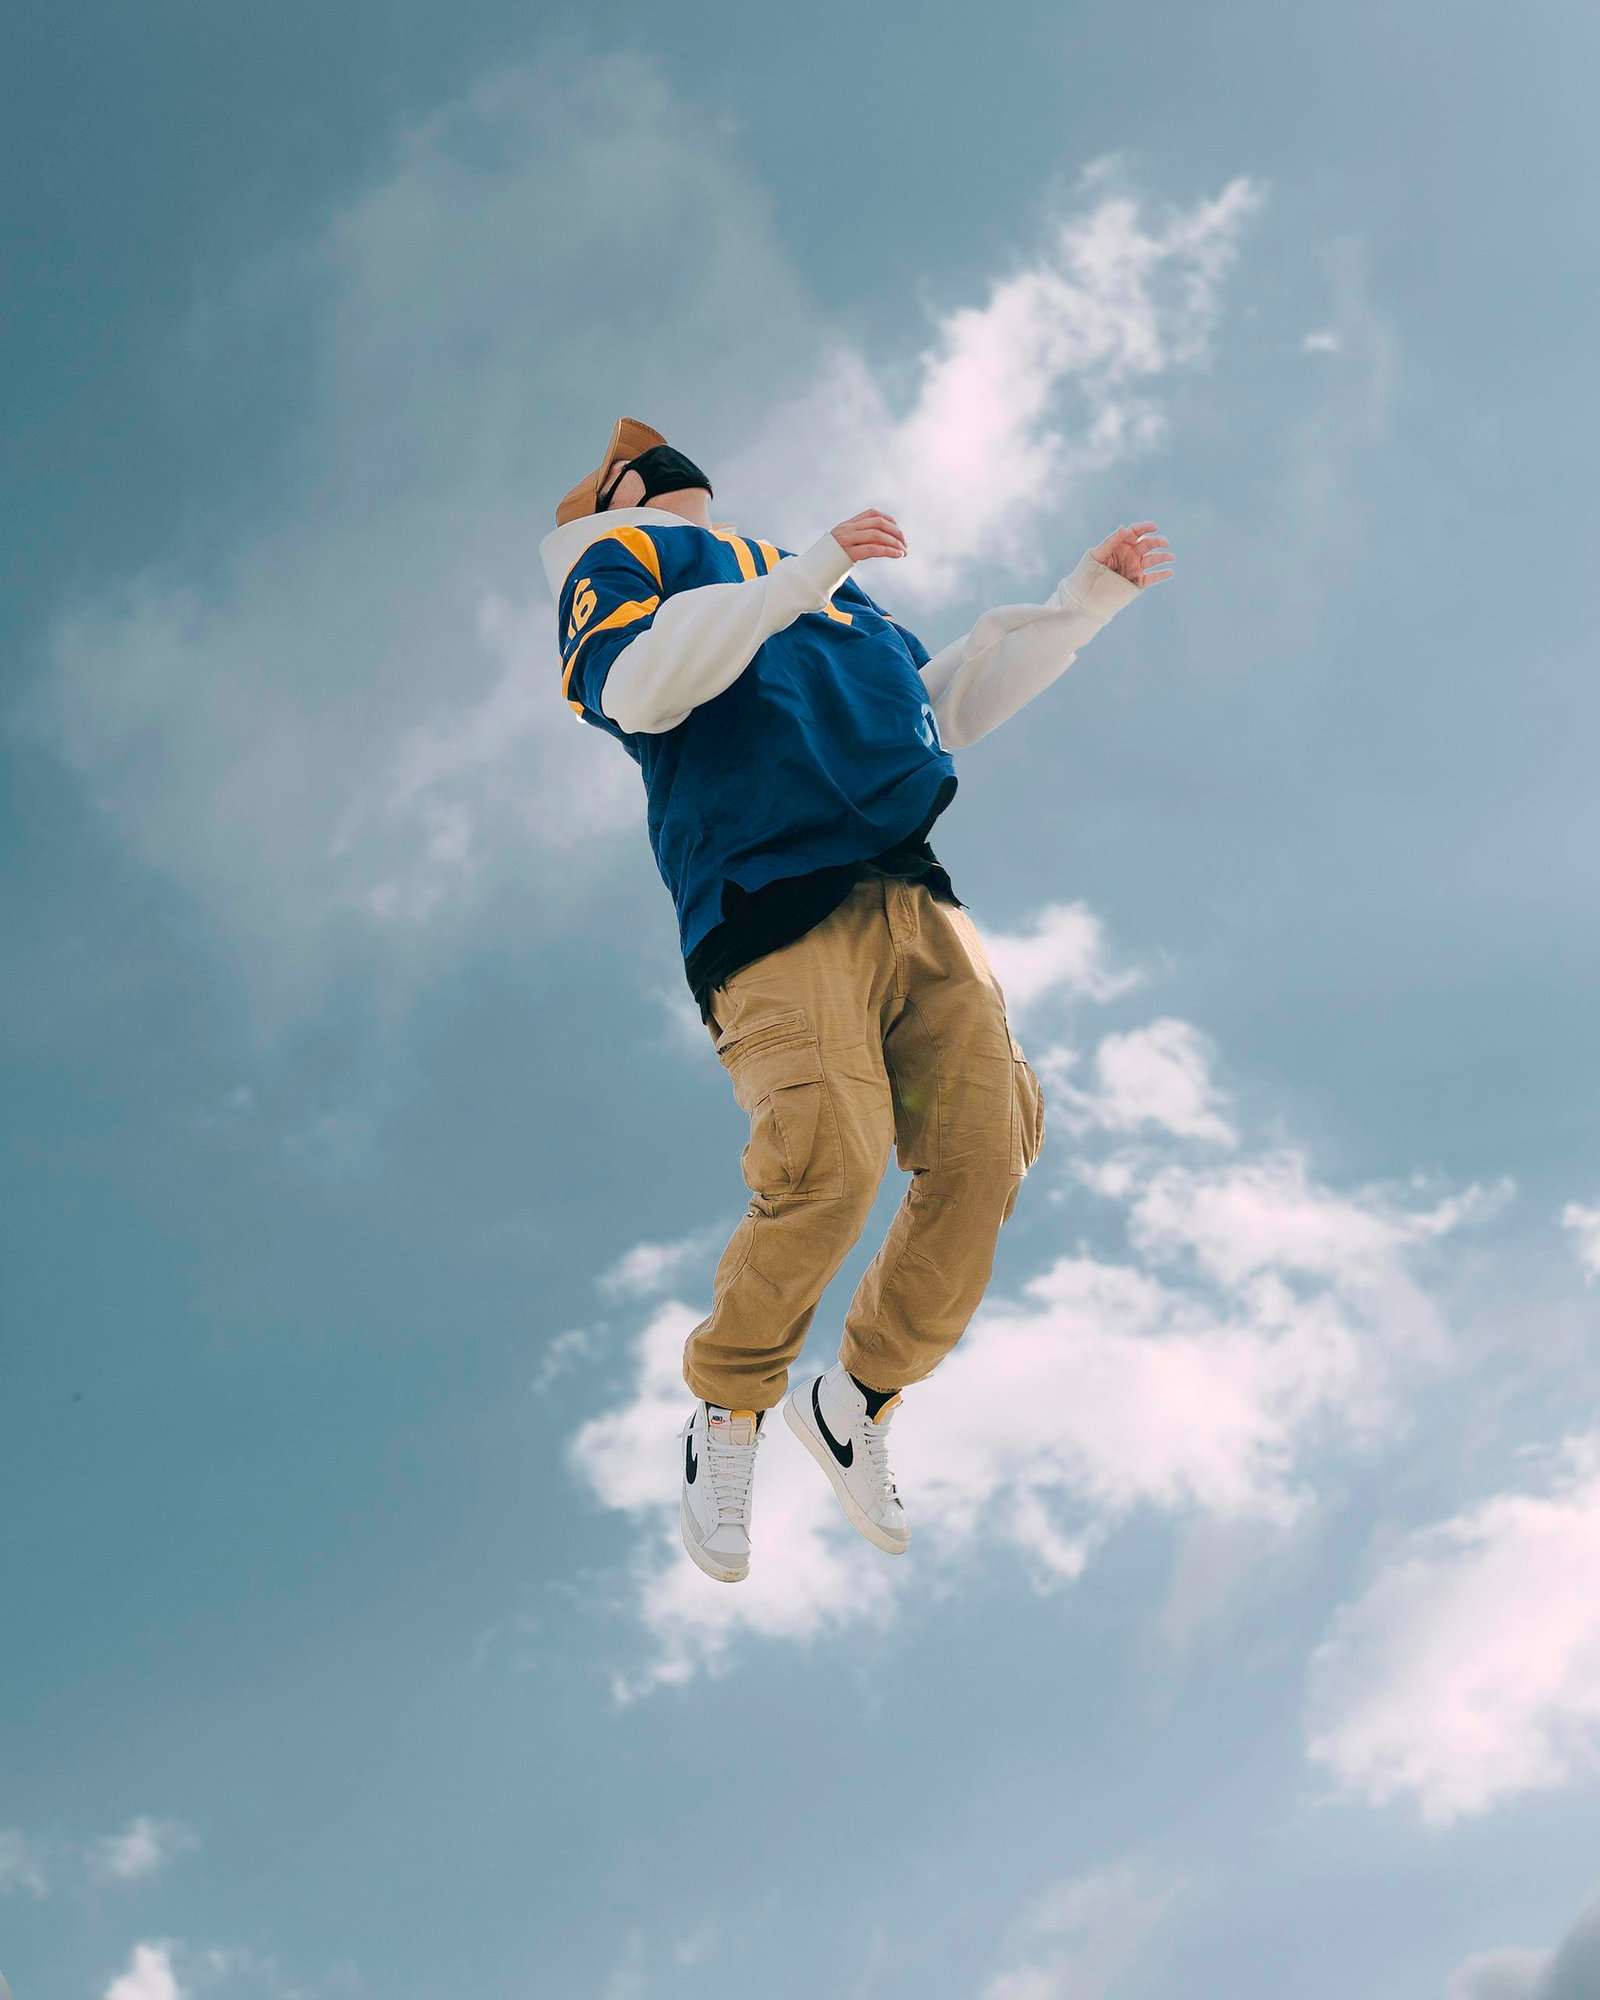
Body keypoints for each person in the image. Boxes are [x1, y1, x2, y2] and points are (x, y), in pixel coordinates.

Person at [540, 417, 1172, 1584]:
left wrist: (1079, 603)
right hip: (766, 896)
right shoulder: (618, 556)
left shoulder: (818, 589)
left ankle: (857, 1398)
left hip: (912, 896)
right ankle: (727, 1413)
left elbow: (936, 705)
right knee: (828, 1162)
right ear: (621, 491)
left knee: (985, 1153)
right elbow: (639, 684)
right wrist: (806, 570)